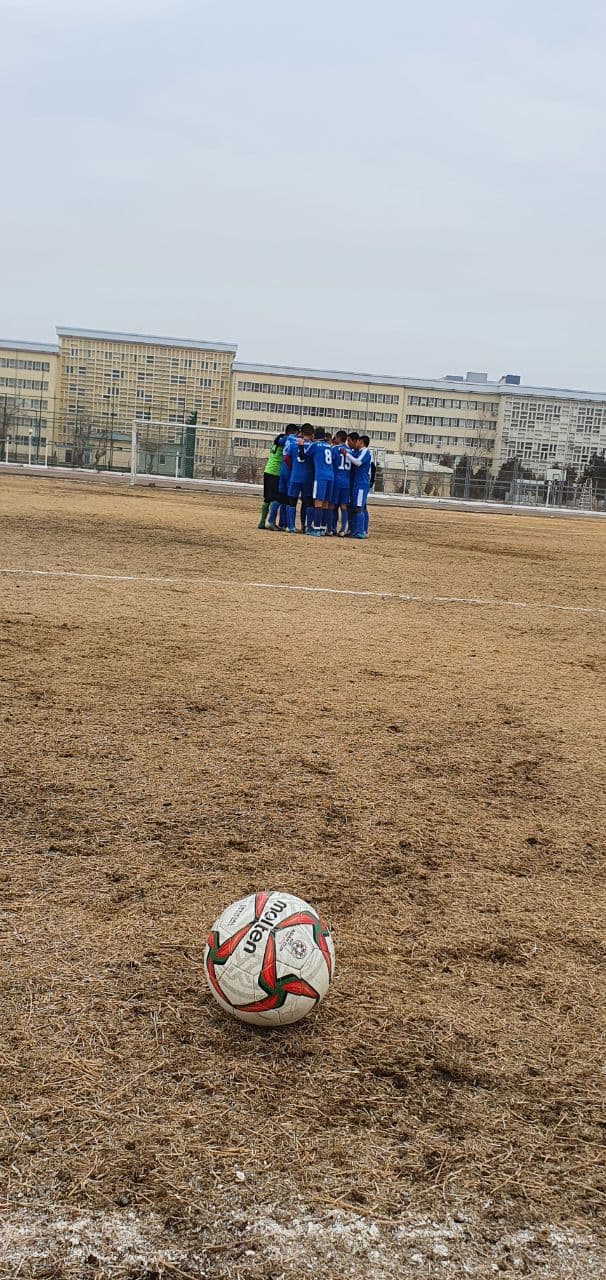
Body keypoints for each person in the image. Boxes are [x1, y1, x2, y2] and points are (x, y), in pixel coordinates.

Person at [267, 423, 298, 530]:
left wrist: (280, 436)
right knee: (289, 498)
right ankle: (288, 525)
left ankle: (272, 520)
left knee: (280, 496)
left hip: (282, 470)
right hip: (290, 471)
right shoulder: (296, 440)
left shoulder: (285, 439)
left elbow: (277, 441)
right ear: (296, 432)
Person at [342, 433, 372, 539]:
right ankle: (355, 530)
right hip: (356, 484)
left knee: (360, 507)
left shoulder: (365, 451)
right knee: (355, 507)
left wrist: (347, 454)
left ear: (360, 442)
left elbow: (358, 462)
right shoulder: (358, 452)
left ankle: (361, 531)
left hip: (361, 484)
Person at [286, 424, 314, 532]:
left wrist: (293, 467)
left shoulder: (293, 444)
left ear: (301, 433)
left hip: (295, 476)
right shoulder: (313, 446)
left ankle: (291, 526)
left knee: (292, 501)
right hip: (308, 477)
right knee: (307, 502)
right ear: (312, 434)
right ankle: (307, 526)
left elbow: (286, 459)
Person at [307, 427, 335, 536]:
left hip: (320, 476)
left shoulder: (315, 445)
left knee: (318, 502)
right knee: (326, 504)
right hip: (330, 476)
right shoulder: (329, 446)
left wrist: (301, 445)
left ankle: (317, 529)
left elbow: (305, 454)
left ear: (314, 435)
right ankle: (323, 528)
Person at [258, 432, 286, 529]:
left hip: (268, 470)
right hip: (275, 472)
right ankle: (271, 522)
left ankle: (261, 522)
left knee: (267, 498)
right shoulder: (283, 446)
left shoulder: (275, 444)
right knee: (275, 498)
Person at [330, 430, 352, 536]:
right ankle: (343, 530)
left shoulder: (334, 449)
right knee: (344, 506)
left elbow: (330, 463)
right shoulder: (350, 451)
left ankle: (331, 528)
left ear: (338, 438)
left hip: (336, 480)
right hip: (346, 481)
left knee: (332, 505)